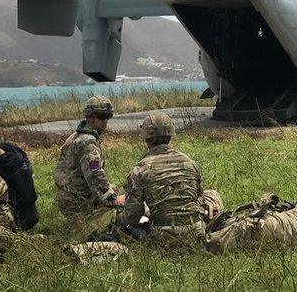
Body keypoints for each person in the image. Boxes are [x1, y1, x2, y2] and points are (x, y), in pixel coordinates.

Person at [116, 111, 207, 247]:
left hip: (164, 237)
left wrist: (118, 217)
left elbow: (132, 216)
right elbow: (198, 197)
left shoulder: (140, 170)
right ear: (170, 135)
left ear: (146, 138)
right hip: (196, 233)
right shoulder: (190, 162)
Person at [53, 96, 121, 229]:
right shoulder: (87, 141)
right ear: (90, 116)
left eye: (108, 117)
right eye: (102, 117)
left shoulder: (77, 135)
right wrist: (113, 199)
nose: (105, 121)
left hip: (70, 195)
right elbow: (95, 173)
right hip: (78, 199)